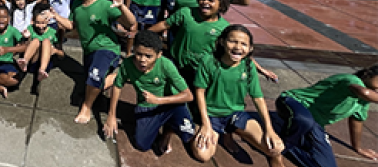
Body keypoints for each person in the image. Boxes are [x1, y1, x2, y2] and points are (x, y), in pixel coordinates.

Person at [191, 25, 285, 167]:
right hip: (211, 115)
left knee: (275, 147)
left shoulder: (248, 65)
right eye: (233, 41)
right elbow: (200, 92)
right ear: (222, 42)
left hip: (236, 114)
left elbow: (258, 98)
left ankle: (231, 134)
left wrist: (269, 129)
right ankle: (210, 131)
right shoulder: (209, 61)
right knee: (202, 155)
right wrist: (205, 124)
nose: (238, 47)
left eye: (243, 44)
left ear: (250, 48)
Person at [52, 0, 137, 124]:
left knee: (94, 78)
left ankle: (86, 107)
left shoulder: (104, 5)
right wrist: (55, 16)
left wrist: (122, 6)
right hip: (89, 51)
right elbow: (71, 25)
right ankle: (121, 75)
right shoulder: (77, 4)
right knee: (94, 83)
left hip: (106, 48)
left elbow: (131, 23)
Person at [103, 30, 195, 154]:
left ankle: (168, 131)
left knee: (188, 134)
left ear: (159, 55)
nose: (142, 60)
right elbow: (118, 86)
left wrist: (158, 100)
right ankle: (157, 125)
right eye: (139, 54)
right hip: (146, 106)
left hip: (171, 105)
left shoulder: (166, 65)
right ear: (134, 50)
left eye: (148, 56)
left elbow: (188, 95)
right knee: (142, 145)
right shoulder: (128, 64)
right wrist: (111, 115)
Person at [276, 65, 378, 166]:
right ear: (368, 75)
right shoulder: (351, 80)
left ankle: (286, 142)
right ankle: (277, 149)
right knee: (304, 121)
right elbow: (364, 92)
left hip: (315, 123)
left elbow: (357, 121)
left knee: (327, 165)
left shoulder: (364, 102)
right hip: (293, 102)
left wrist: (358, 147)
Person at [16, 4, 64, 82]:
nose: (40, 26)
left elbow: (62, 54)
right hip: (32, 61)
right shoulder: (30, 29)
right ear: (33, 21)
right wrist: (26, 39)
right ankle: (24, 61)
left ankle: (42, 71)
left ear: (48, 21)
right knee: (36, 41)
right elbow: (21, 47)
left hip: (46, 63)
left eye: (43, 23)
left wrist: (55, 51)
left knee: (46, 41)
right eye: (38, 23)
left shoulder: (53, 33)